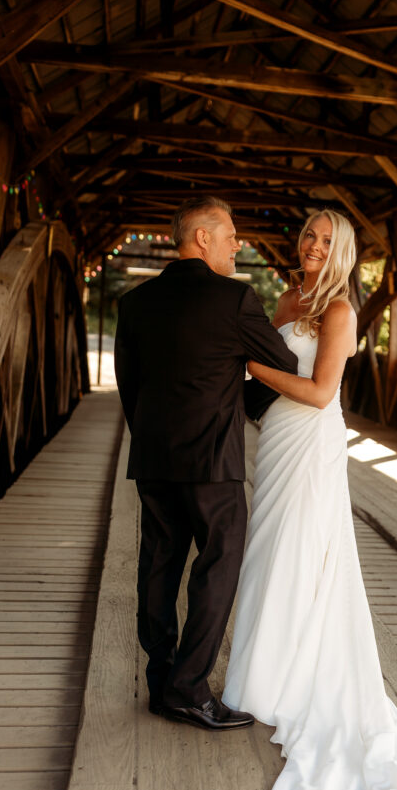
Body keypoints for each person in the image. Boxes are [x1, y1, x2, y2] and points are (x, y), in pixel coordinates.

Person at [223, 208, 397, 790]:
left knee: (302, 552)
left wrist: (250, 367)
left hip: (311, 440)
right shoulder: (287, 297)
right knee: (270, 552)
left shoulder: (340, 311)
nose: (314, 247)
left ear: (346, 253)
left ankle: (287, 681)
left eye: (329, 241)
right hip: (275, 441)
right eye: (309, 236)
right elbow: (261, 365)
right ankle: (263, 673)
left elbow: (322, 392)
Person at [114, 196, 298, 731]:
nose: (237, 243)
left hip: (153, 458)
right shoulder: (234, 300)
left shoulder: (135, 302)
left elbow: (131, 387)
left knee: (159, 564)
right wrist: (237, 405)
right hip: (213, 461)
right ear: (202, 238)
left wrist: (153, 433)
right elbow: (283, 367)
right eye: (230, 234)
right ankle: (190, 690)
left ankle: (160, 681)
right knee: (217, 568)